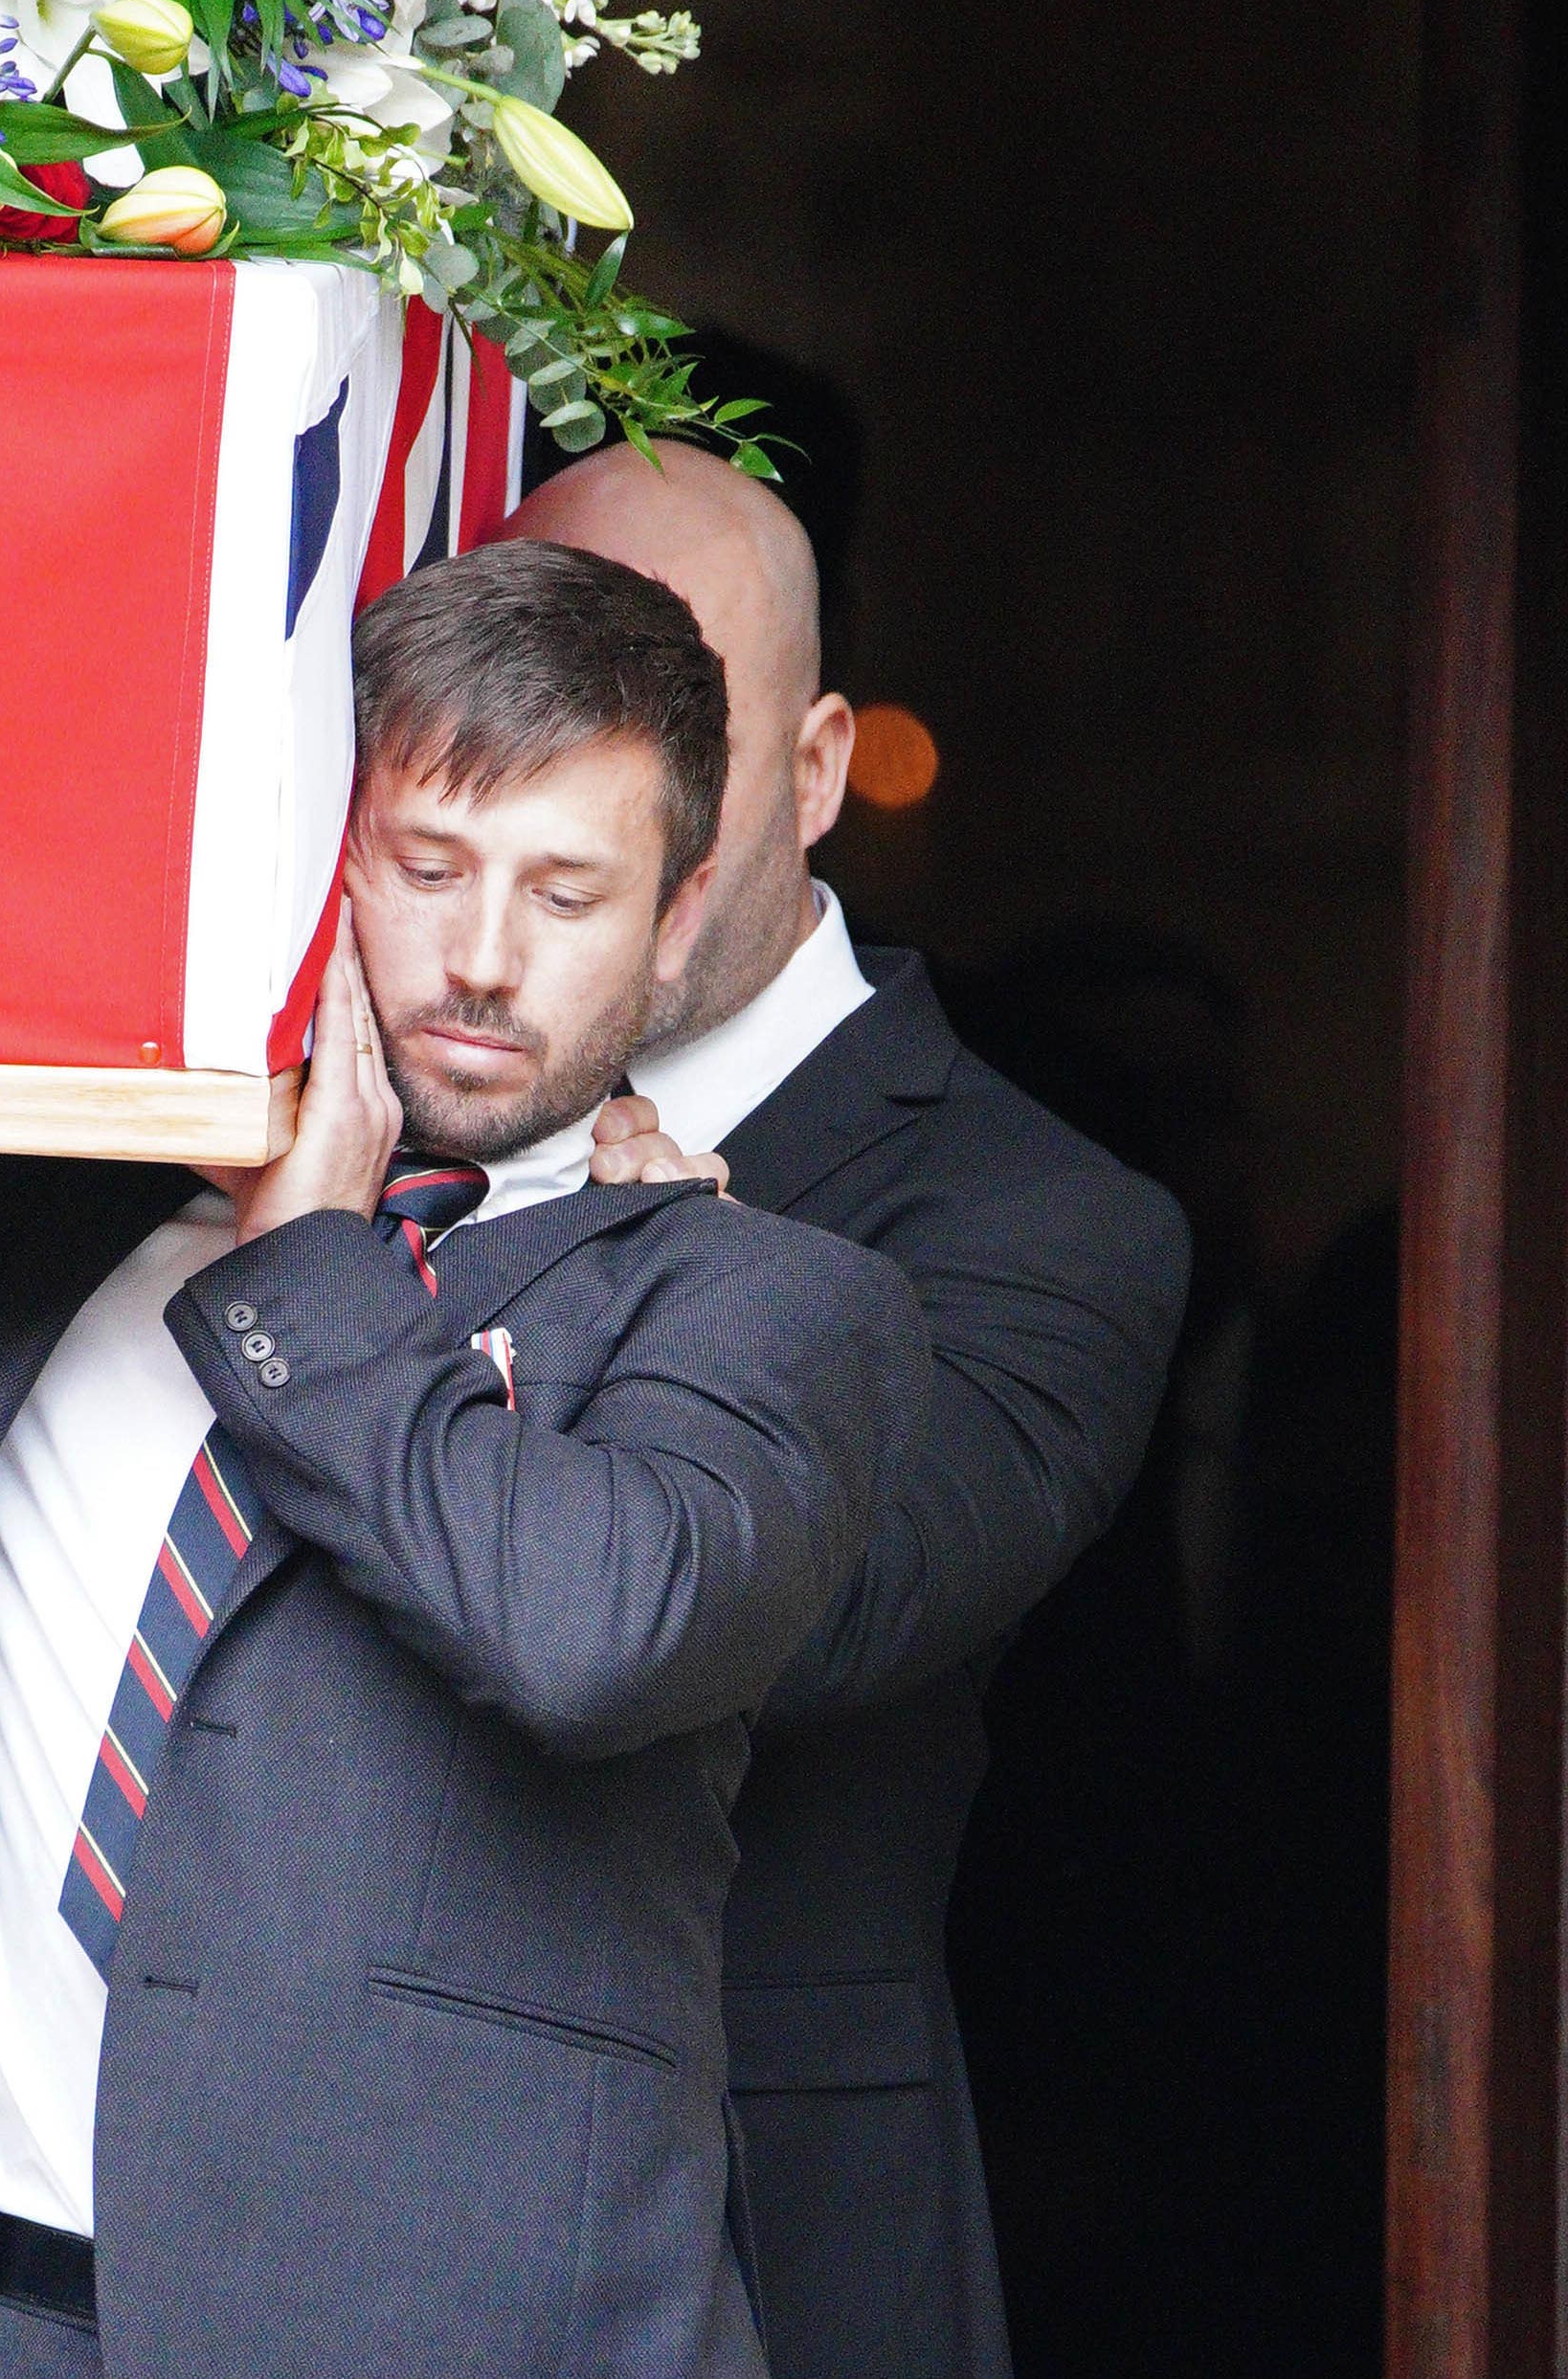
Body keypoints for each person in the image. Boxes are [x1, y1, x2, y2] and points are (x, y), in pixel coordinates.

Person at [0, 540, 930, 2379]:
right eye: (427, 870)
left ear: (684, 901)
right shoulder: (9, 1244)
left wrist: (315, 1276)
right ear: (326, 849)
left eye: (567, 894)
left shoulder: (772, 1306)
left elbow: (591, 1632)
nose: (482, 961)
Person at [508, 444, 1193, 2379]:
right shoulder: (331, 1119)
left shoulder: (1040, 1218)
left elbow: (798, 1609)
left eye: (673, 727)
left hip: (759, 2245)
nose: (600, 799)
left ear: (813, 770)